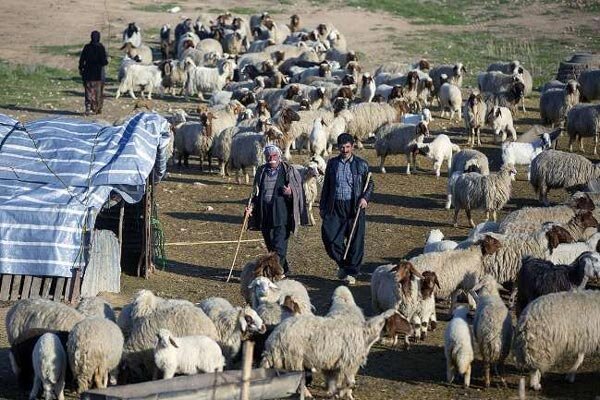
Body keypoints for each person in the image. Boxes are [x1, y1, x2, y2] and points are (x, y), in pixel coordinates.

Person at [320, 133, 374, 285]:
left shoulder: (361, 164)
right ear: (338, 147)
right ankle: (343, 264)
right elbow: (327, 186)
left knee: (355, 241)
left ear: (352, 146)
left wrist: (365, 198)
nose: (344, 150)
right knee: (330, 239)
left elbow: (370, 184)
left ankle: (351, 272)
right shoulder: (332, 164)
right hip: (335, 206)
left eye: (347, 147)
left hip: (354, 206)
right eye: (342, 147)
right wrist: (323, 207)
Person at [246, 145, 308, 275]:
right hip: (265, 214)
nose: (271, 158)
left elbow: (298, 191)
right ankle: (284, 269)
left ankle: (275, 273)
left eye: (274, 156)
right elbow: (255, 192)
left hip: (282, 215)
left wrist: (290, 192)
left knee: (279, 247)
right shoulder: (261, 171)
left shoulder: (288, 171)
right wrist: (251, 206)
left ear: (279, 156)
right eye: (268, 156)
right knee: (271, 247)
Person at [78, 31, 108, 115]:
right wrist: (106, 61)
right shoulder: (101, 48)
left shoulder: (87, 47)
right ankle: (96, 108)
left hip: (87, 74)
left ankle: (88, 107)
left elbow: (82, 60)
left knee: (88, 91)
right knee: (98, 92)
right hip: (97, 74)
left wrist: (80, 68)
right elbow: (104, 62)